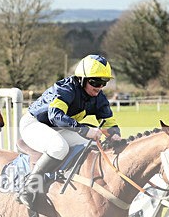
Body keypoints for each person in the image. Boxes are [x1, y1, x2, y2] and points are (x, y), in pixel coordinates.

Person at [17, 54, 122, 208]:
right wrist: (84, 130)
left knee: (94, 145)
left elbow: (108, 122)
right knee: (59, 147)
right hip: (34, 124)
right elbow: (56, 116)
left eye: (103, 82)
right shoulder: (65, 89)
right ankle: (28, 188)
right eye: (95, 82)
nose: (99, 87)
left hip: (59, 128)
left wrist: (115, 136)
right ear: (82, 79)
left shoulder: (99, 97)